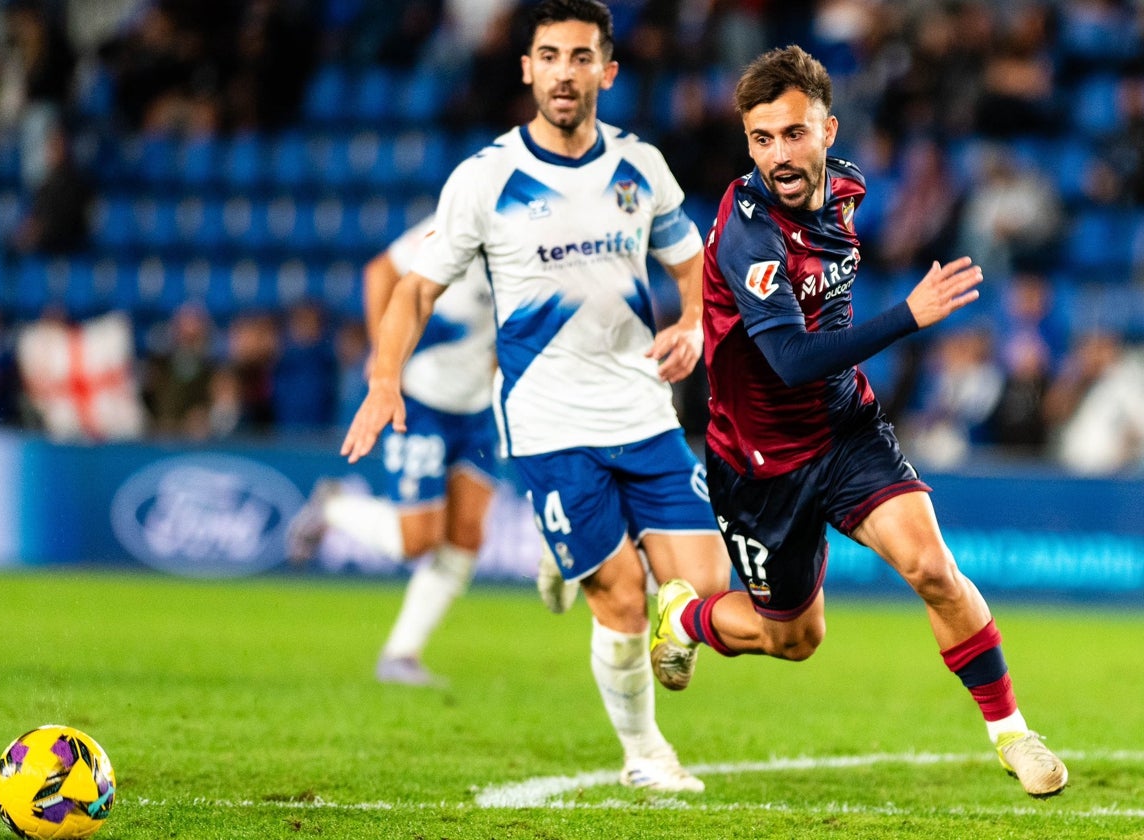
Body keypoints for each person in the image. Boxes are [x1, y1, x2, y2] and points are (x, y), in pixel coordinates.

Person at [648, 45, 1069, 799]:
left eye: (794, 133)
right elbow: (789, 361)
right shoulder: (748, 233)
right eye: (762, 138)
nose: (779, 154)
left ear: (828, 130)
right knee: (792, 639)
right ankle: (687, 617)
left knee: (934, 569)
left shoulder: (846, 190)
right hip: (759, 463)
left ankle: (1013, 733)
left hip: (845, 431)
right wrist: (909, 315)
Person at [341, 0, 729, 792]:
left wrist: (692, 323)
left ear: (606, 72)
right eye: (549, 55)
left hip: (643, 408)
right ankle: (646, 753)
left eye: (581, 57)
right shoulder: (485, 179)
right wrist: (384, 379)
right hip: (549, 422)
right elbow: (414, 292)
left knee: (706, 591)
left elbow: (690, 261)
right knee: (623, 602)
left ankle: (571, 561)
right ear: (527, 68)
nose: (564, 71)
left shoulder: (640, 166)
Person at [287, 214, 504, 687]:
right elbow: (379, 271)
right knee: (417, 540)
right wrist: (382, 354)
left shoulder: (540, 239)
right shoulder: (459, 222)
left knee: (466, 534)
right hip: (422, 399)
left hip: (478, 407)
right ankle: (334, 506)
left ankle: (401, 655)